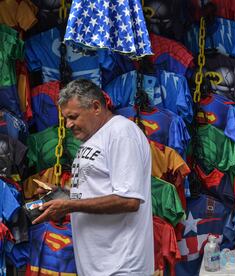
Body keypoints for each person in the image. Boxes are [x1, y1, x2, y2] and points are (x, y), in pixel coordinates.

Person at [32, 79, 154, 275]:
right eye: (66, 119)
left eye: (73, 117)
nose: (69, 125)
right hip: (98, 265)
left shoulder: (121, 133)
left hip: (121, 266)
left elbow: (129, 200)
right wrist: (62, 194)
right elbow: (98, 190)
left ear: (96, 107)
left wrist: (69, 205)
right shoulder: (94, 138)